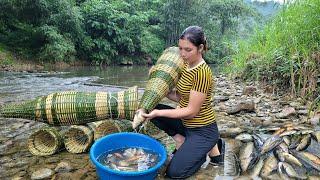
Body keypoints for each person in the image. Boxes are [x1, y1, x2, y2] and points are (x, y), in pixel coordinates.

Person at [141, 25, 224, 179]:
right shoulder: (185, 65)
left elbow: (191, 110)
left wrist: (159, 113)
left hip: (203, 131)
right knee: (150, 108)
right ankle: (182, 139)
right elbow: (181, 97)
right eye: (180, 48)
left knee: (174, 173)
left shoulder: (203, 73)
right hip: (186, 125)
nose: (183, 54)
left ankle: (210, 148)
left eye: (188, 50)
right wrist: (157, 81)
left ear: (200, 48)